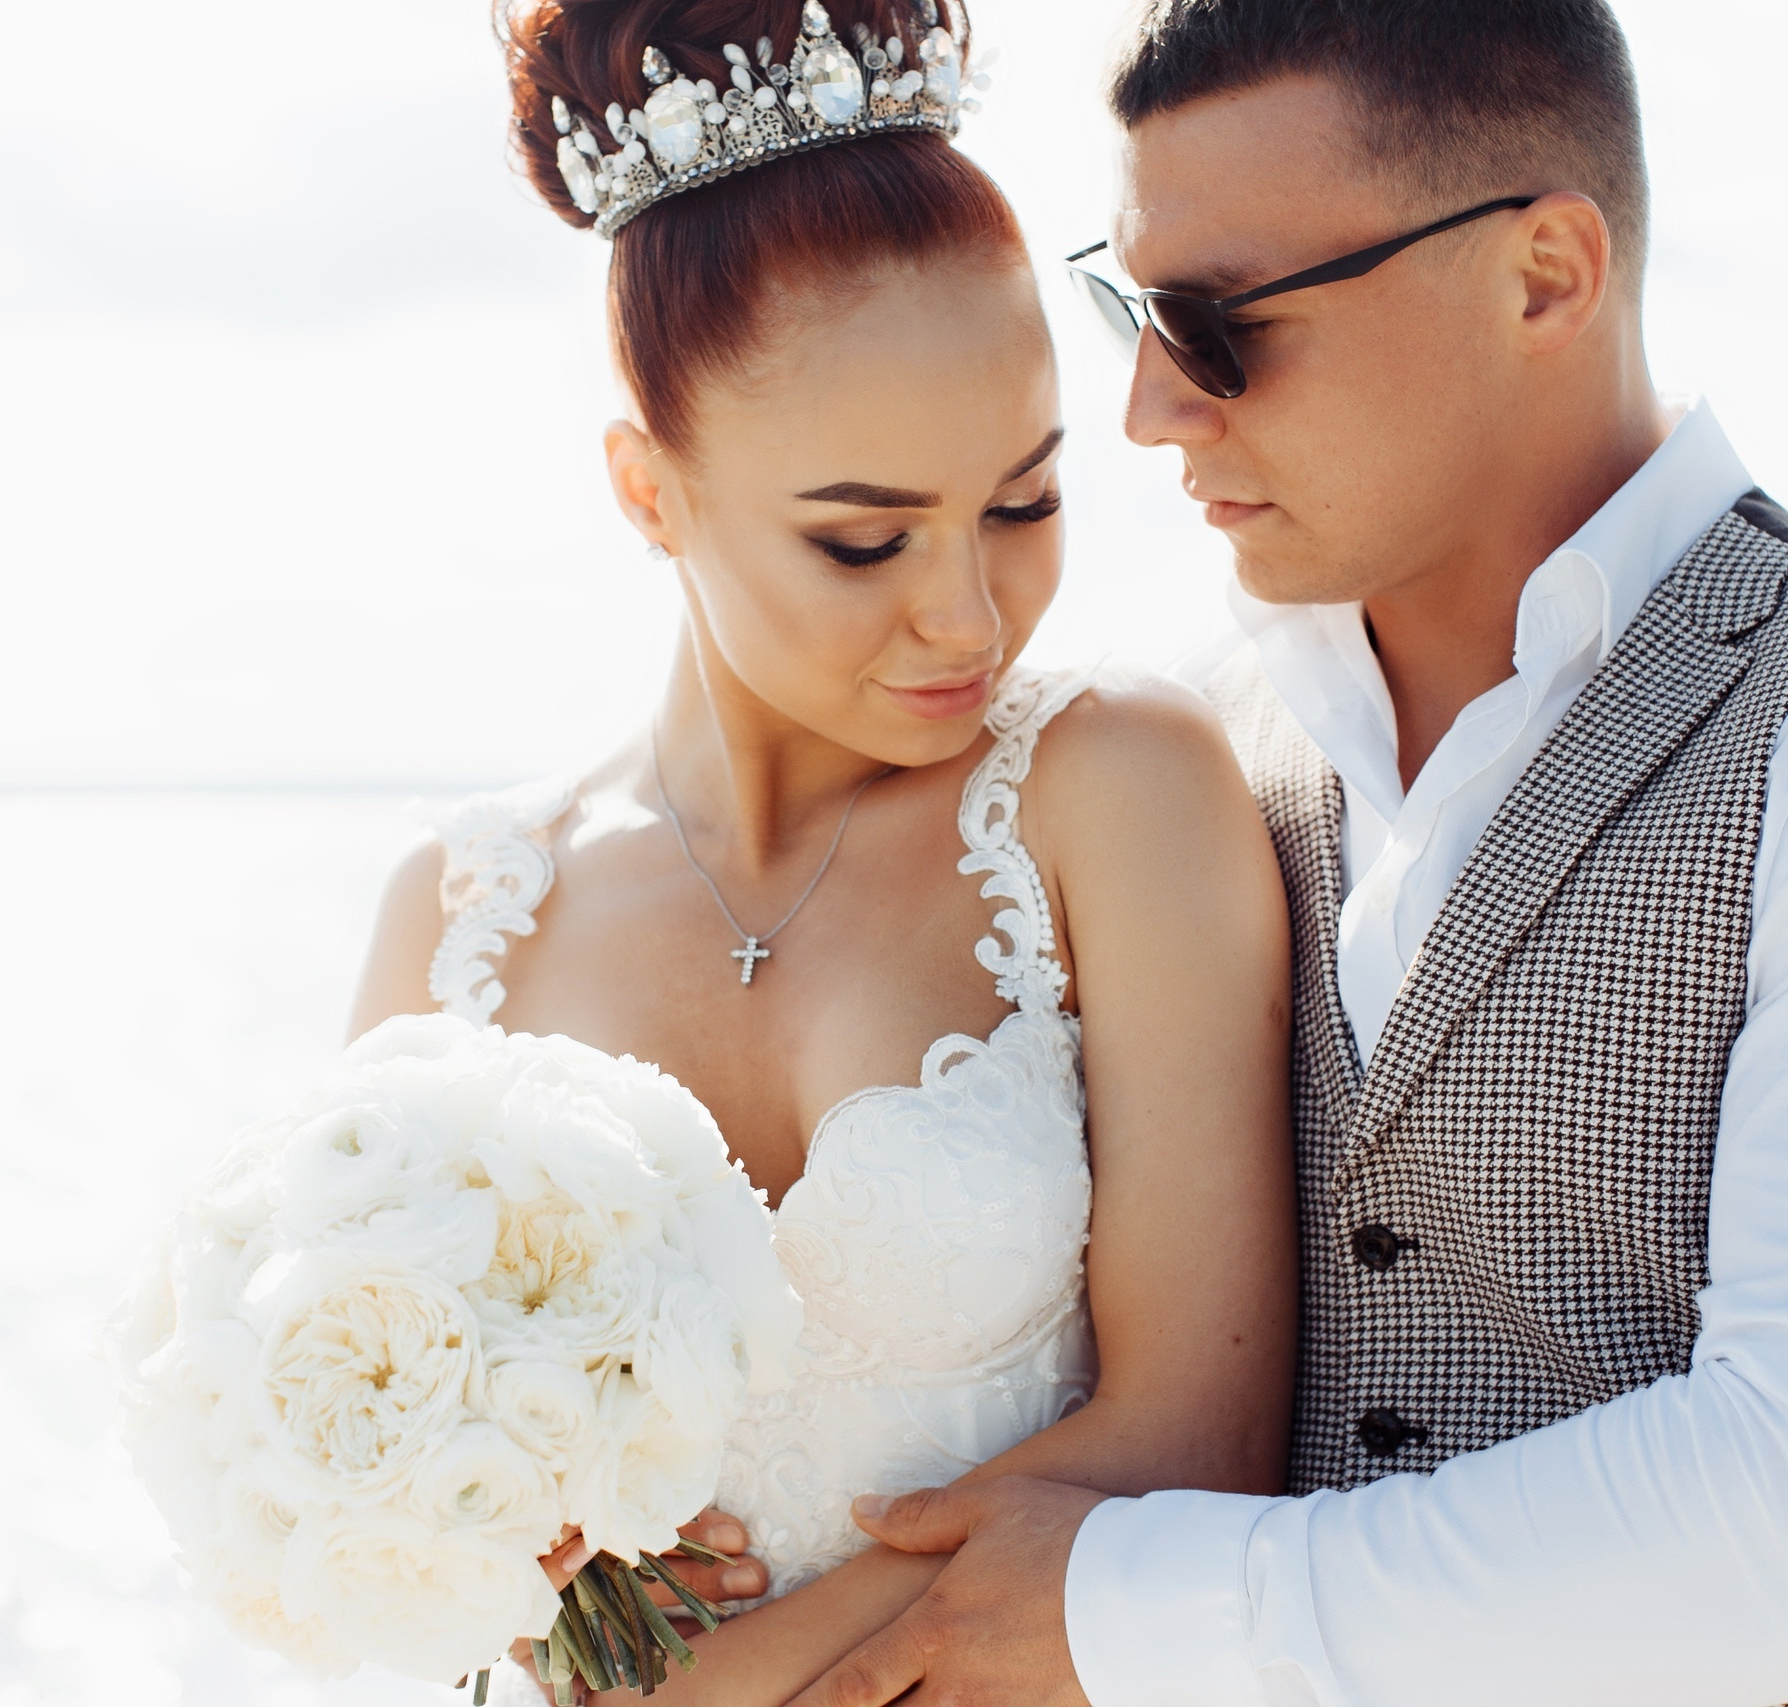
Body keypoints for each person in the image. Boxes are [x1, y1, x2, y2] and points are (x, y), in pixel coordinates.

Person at [789, 4, 1788, 1706]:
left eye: (1218, 324)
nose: (1145, 408)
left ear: (1544, 276)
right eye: (1130, 306)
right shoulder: (1182, 768)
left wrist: (1135, 1613)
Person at [349, 1, 1299, 1699]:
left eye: (1023, 503)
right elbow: (379, 1484)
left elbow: (1197, 1430)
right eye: (863, 541)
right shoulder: (460, 917)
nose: (967, 613)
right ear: (652, 493)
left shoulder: (1118, 793)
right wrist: (540, 1572)